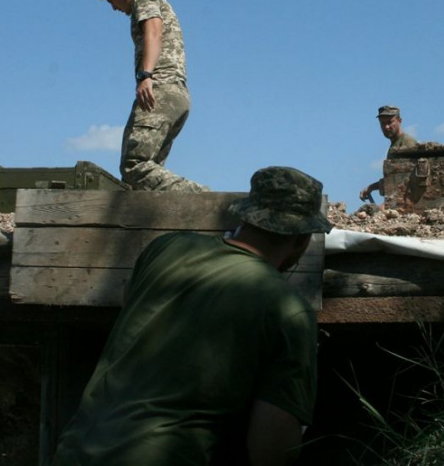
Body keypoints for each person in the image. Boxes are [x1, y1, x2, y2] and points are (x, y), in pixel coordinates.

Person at [52, 166, 333, 465]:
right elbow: (272, 445)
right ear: (303, 240)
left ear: (244, 216)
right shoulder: (288, 309)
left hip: (76, 452)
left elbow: (130, 304)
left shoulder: (165, 248)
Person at [92, 0, 208, 192]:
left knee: (135, 166)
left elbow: (153, 31)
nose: (113, 8)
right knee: (150, 175)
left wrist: (146, 76)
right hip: (177, 93)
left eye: (110, 1)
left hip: (159, 89)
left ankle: (206, 200)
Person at [359, 105, 418, 202]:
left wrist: (386, 206)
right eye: (383, 123)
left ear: (400, 121)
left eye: (390, 122)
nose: (386, 127)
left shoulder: (407, 143)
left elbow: (407, 181)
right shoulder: (394, 145)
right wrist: (371, 187)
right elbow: (393, 179)